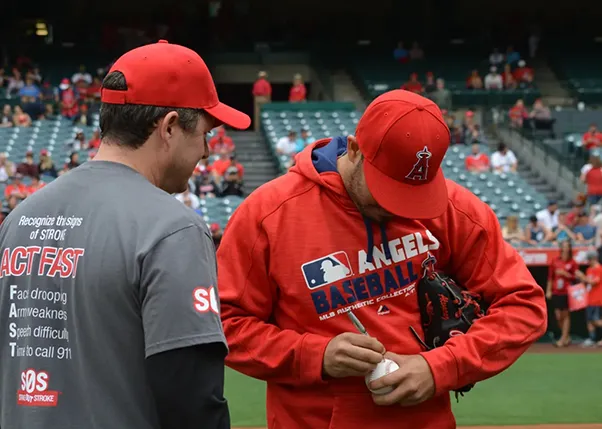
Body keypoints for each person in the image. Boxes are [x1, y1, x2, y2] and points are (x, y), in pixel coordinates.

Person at [216, 90, 546, 429]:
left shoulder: (453, 209)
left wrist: (442, 366)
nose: (401, 208)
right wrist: (314, 356)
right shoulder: (268, 215)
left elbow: (524, 307)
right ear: (355, 149)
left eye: (414, 195)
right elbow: (225, 324)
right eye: (388, 190)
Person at [0, 40, 250, 429]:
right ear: (168, 127)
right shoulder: (172, 228)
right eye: (205, 132)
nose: (206, 151)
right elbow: (192, 397)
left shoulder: (20, 218)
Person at [546, 240, 578, 347]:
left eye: (567, 247)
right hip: (556, 291)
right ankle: (566, 336)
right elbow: (550, 277)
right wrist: (548, 290)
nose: (565, 249)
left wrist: (565, 274)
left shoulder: (572, 262)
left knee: (566, 314)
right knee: (558, 316)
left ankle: (563, 339)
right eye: (564, 247)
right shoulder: (555, 261)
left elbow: (575, 277)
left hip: (567, 291)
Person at [579, 252, 602, 347]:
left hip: (597, 298)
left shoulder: (599, 269)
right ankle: (592, 338)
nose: (588, 261)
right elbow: (587, 283)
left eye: (589, 259)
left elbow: (594, 282)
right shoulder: (589, 269)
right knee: (589, 320)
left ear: (594, 259)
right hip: (589, 297)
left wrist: (582, 277)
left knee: (595, 320)